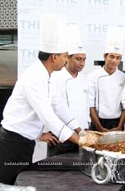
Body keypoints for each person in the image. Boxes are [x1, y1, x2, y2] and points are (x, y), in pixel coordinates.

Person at [0, 14, 96, 185]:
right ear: (54, 57)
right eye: (65, 56)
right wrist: (80, 141)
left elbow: (59, 107)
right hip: (10, 144)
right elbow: (48, 116)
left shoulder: (48, 76)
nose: (66, 60)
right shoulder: (34, 77)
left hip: (23, 143)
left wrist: (80, 131)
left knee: (18, 185)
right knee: (5, 187)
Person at [43, 24, 90, 156]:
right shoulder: (55, 77)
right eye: (78, 59)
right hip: (60, 135)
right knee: (56, 170)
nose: (82, 63)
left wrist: (85, 127)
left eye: (84, 60)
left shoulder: (84, 79)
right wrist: (46, 131)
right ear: (67, 58)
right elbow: (52, 108)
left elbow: (86, 105)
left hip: (81, 133)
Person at [87, 27, 125, 132]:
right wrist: (99, 127)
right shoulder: (93, 76)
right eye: (111, 56)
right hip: (98, 122)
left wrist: (120, 126)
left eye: (118, 58)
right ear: (105, 56)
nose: (114, 61)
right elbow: (90, 106)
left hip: (117, 122)